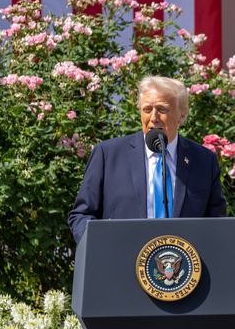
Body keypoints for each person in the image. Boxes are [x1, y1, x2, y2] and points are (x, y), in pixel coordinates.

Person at [68, 75, 226, 243]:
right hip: (121, 257)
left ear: (182, 114)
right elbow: (81, 215)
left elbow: (217, 224)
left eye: (162, 109)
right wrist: (100, 246)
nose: (153, 118)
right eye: (147, 109)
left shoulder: (203, 161)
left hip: (183, 259)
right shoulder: (108, 155)